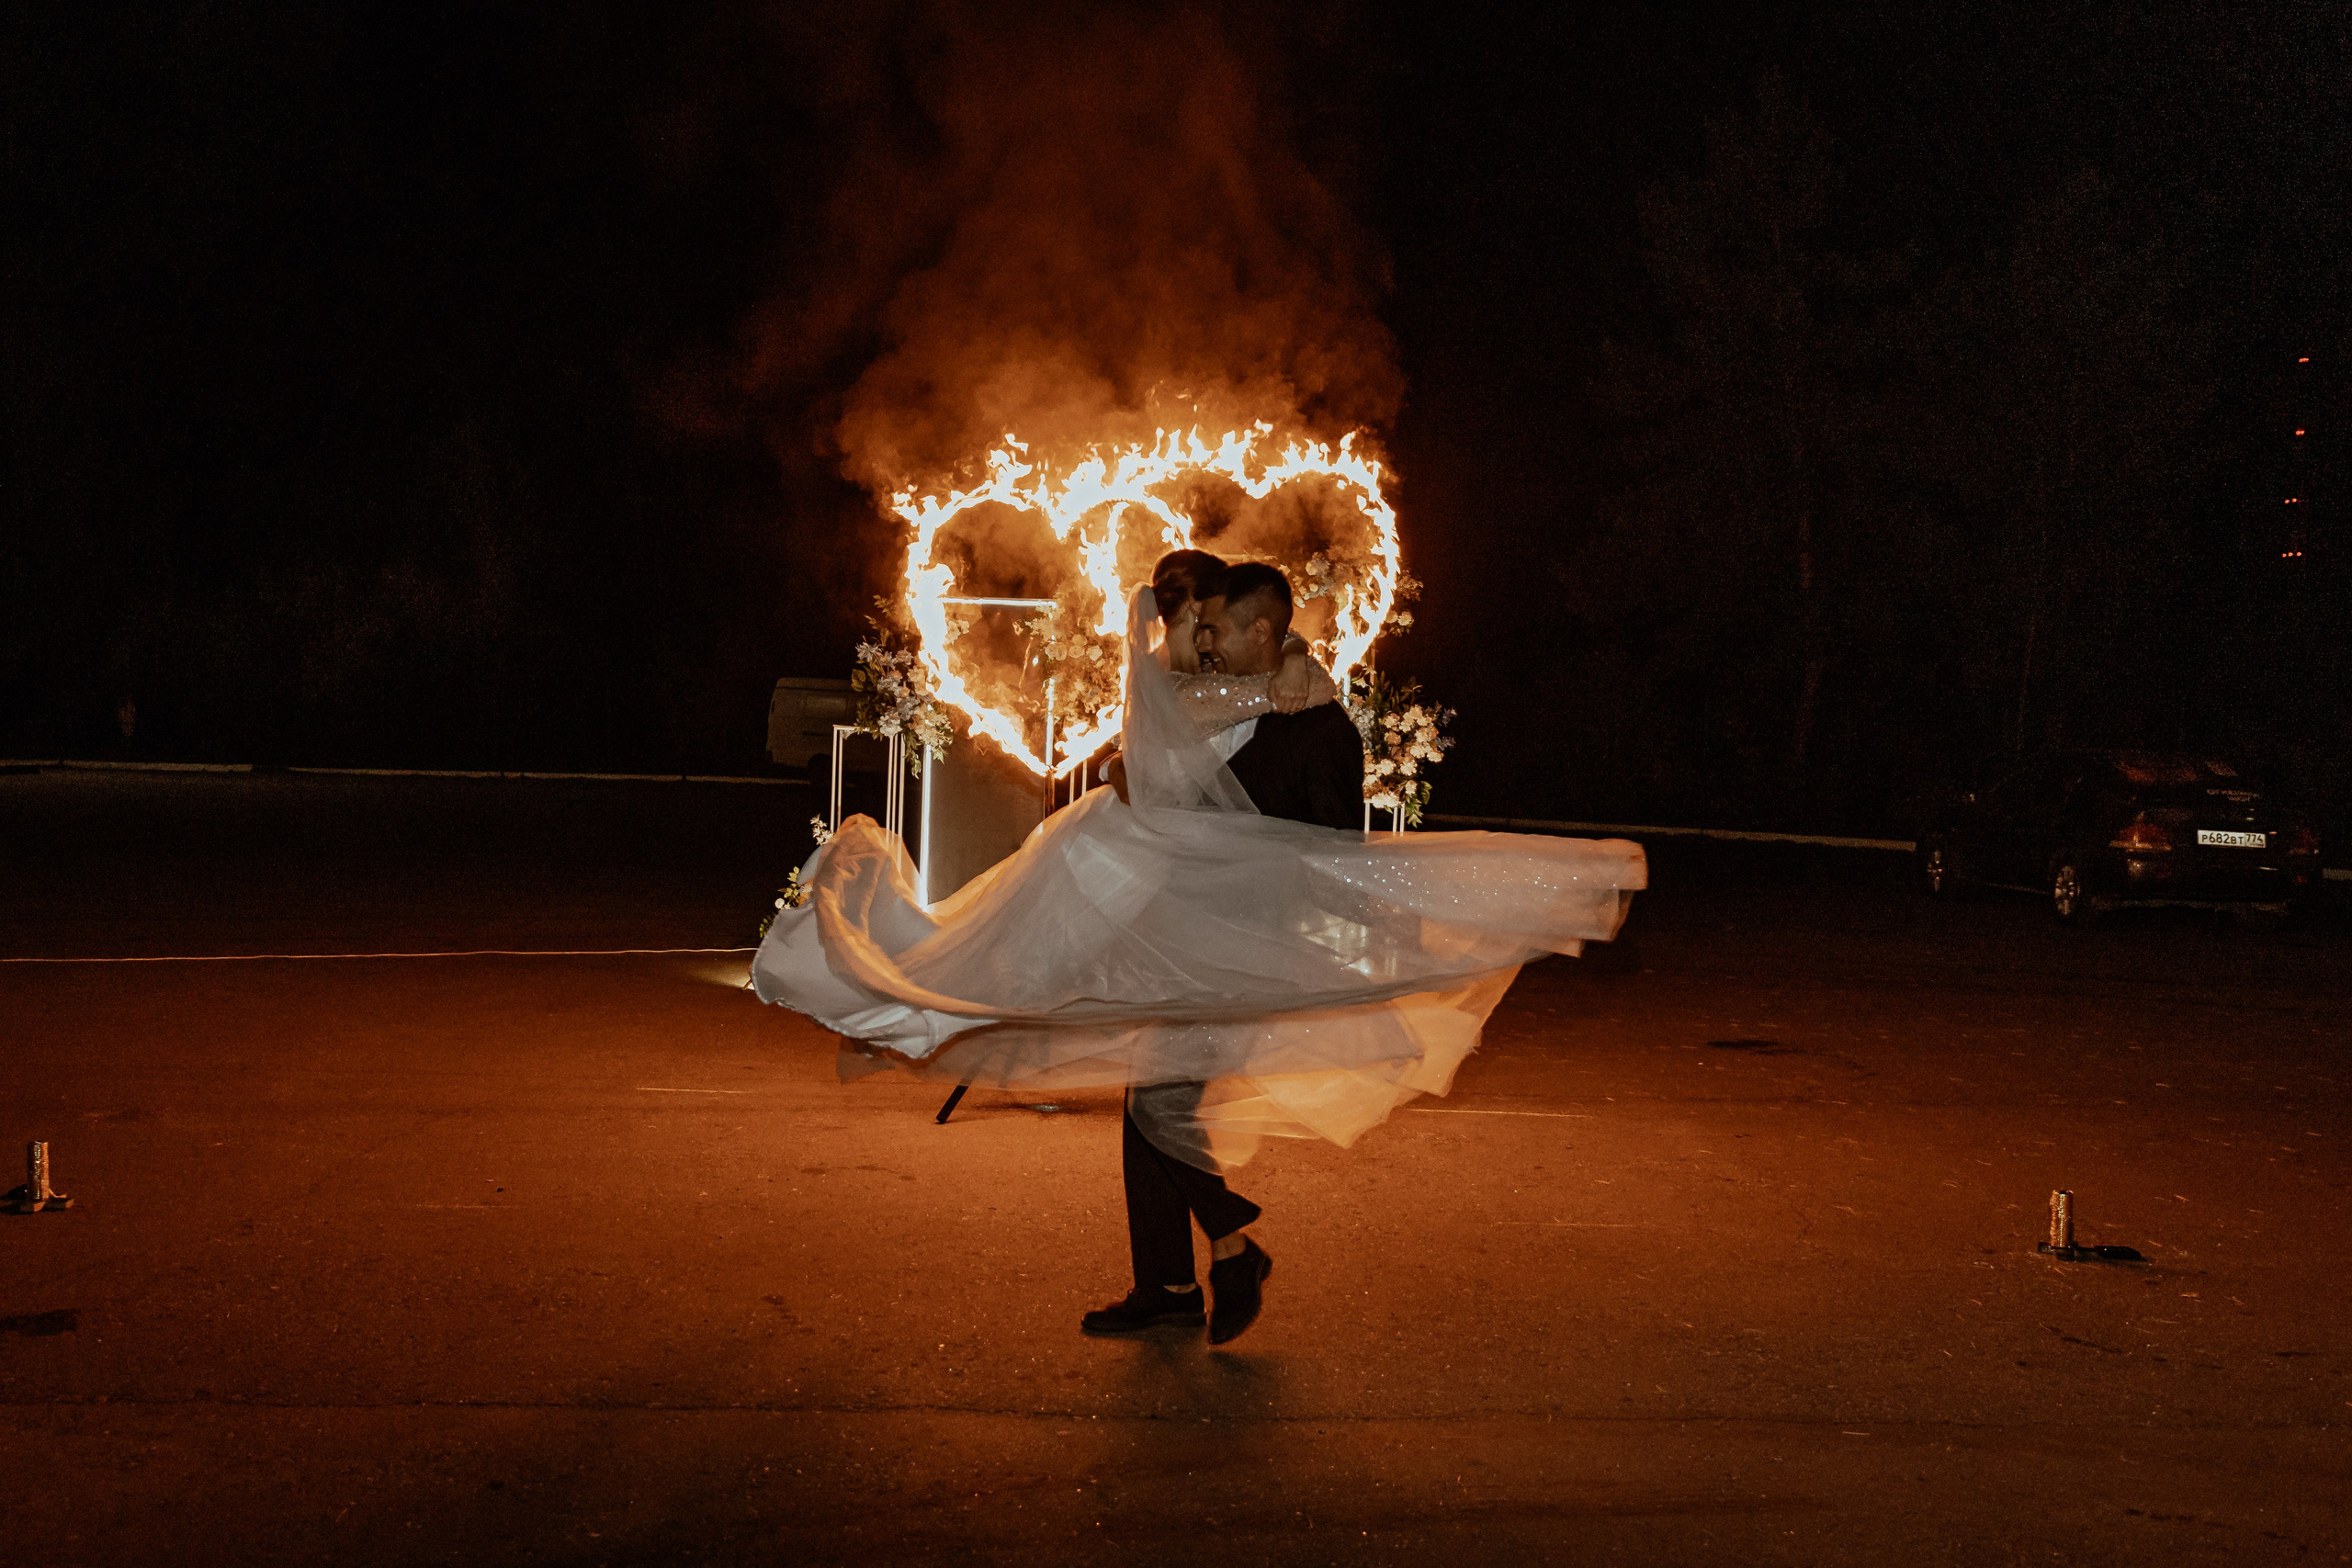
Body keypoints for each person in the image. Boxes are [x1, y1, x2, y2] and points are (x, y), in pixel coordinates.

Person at [749, 566, 1645, 1347]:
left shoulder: (1313, 724)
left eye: (1220, 626)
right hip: (1185, 945)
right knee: (1153, 1102)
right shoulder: (1231, 703)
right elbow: (1156, 772)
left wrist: (1351, 942)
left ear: (1263, 628)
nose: (1208, 643)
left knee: (1159, 1108)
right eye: (1198, 625)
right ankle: (1179, 1281)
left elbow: (1329, 846)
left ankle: (1224, 1248)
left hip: (1245, 952)